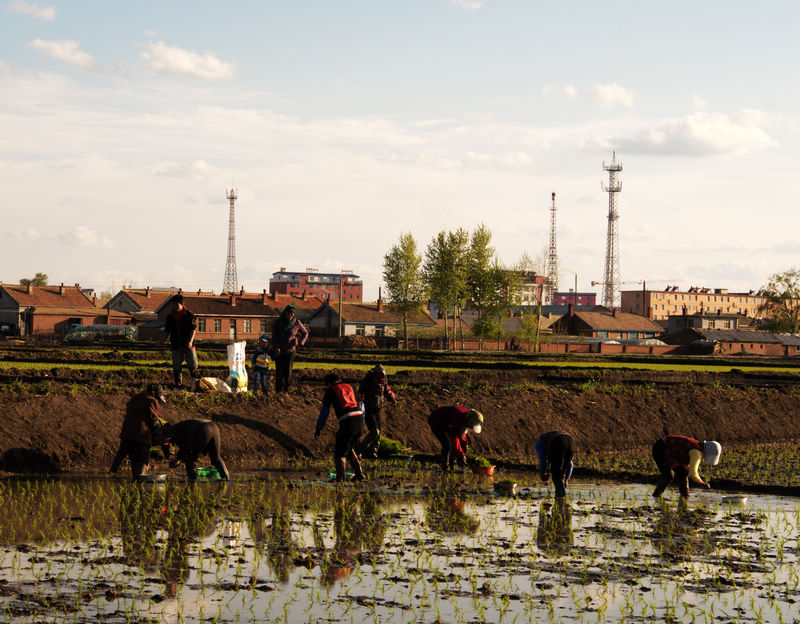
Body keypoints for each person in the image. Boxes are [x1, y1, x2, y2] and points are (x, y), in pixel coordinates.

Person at [314, 373, 366, 482]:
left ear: (328, 383)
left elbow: (324, 412)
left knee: (339, 455)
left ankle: (340, 479)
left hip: (348, 421)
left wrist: (319, 428)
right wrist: (362, 419)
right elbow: (361, 404)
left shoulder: (330, 391)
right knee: (348, 448)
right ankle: (359, 474)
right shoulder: (350, 387)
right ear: (340, 379)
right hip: (360, 420)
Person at [110, 383, 167, 481]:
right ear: (154, 394)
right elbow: (153, 420)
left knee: (124, 453)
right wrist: (157, 434)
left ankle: (111, 474)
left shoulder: (135, 398)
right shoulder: (152, 401)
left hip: (127, 433)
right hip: (141, 435)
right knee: (141, 458)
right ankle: (140, 481)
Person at [652, 435, 721, 498]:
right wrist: (701, 483)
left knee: (683, 473)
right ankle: (656, 495)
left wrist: (699, 477)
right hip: (661, 448)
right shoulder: (696, 453)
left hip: (670, 450)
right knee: (668, 476)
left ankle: (684, 496)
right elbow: (692, 474)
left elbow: (687, 466)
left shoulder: (697, 447)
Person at [163, 419, 230, 481]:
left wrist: (178, 459)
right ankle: (226, 479)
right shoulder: (180, 425)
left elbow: (186, 449)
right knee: (216, 458)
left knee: (190, 459)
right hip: (214, 428)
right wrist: (178, 459)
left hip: (203, 430)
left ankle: (192, 480)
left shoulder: (176, 431)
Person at [356, 364, 397, 459]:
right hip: (368, 408)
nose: (380, 378)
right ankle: (360, 451)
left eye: (381, 376)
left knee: (379, 433)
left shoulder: (384, 380)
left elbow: (386, 392)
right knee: (375, 432)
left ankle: (373, 452)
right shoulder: (367, 380)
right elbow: (360, 393)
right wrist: (358, 407)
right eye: (378, 376)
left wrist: (392, 399)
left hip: (378, 408)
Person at [427, 405, 484, 471]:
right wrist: (460, 454)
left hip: (449, 423)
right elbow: (453, 437)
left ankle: (452, 464)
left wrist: (464, 445)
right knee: (447, 445)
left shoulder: (468, 418)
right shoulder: (458, 417)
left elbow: (462, 433)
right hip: (436, 421)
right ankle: (445, 466)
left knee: (461, 444)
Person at [163, 295, 198, 388]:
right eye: (173, 304)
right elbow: (167, 330)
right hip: (175, 343)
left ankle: (195, 376)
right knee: (176, 365)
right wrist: (164, 340)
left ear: (182, 304)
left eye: (176, 304)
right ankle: (178, 383)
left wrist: (190, 341)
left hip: (187, 343)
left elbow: (193, 329)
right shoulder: (170, 317)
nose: (175, 306)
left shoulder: (189, 315)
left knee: (192, 363)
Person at [271, 304, 309, 392]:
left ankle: (286, 389)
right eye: (288, 314)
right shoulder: (278, 323)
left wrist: (300, 342)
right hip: (279, 351)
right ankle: (278, 390)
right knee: (279, 371)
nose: (290, 316)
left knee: (288, 371)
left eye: (292, 314)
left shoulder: (296, 323)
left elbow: (305, 333)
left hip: (290, 350)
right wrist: (276, 347)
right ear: (285, 313)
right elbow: (274, 336)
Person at [535, 430, 575, 497]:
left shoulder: (539, 444)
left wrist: (542, 473)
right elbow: (570, 464)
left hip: (558, 441)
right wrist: (566, 479)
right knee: (561, 473)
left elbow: (543, 460)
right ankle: (560, 495)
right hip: (571, 442)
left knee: (556, 474)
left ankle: (561, 497)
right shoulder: (548, 443)